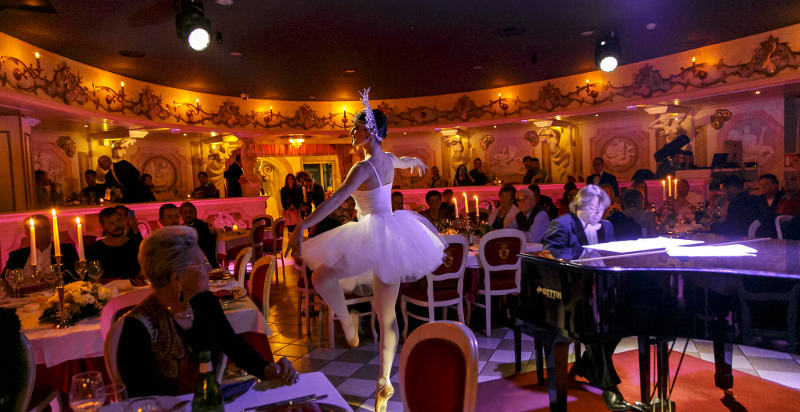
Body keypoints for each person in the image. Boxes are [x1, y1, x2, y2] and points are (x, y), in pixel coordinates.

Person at [286, 94, 445, 412]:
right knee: (385, 314)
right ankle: (378, 369)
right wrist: (413, 161)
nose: (351, 133)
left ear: (370, 132)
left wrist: (303, 224)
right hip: (390, 235)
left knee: (324, 279)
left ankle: (355, 334)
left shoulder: (363, 167)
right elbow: (399, 160)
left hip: (374, 234)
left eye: (355, 128)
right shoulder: (386, 159)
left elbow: (336, 199)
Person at [117, 226, 298, 397]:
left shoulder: (204, 302)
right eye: (202, 264)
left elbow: (233, 345)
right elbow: (139, 401)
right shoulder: (137, 328)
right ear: (177, 277)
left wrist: (267, 369)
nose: (209, 269)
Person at [542, 185, 633, 411]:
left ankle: (586, 365)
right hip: (571, 293)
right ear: (579, 206)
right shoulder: (561, 225)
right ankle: (609, 388)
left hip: (601, 290)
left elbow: (610, 257)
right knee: (595, 326)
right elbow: (551, 252)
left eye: (601, 209)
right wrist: (583, 253)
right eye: (593, 208)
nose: (598, 214)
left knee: (625, 319)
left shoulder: (607, 226)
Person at [3, 214, 80, 283]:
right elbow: (5, 280)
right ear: (27, 233)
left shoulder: (66, 250)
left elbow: (77, 277)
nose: (43, 232)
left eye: (46, 228)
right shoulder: (17, 256)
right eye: (38, 229)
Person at [86, 208, 142, 281]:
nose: (117, 225)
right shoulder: (94, 250)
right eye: (111, 223)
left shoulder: (135, 244)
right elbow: (92, 279)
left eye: (118, 220)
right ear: (103, 226)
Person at [180, 202, 218, 268]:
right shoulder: (181, 228)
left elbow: (199, 247)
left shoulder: (202, 226)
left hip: (202, 264)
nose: (188, 215)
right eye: (185, 212)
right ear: (181, 215)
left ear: (195, 213)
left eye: (190, 212)